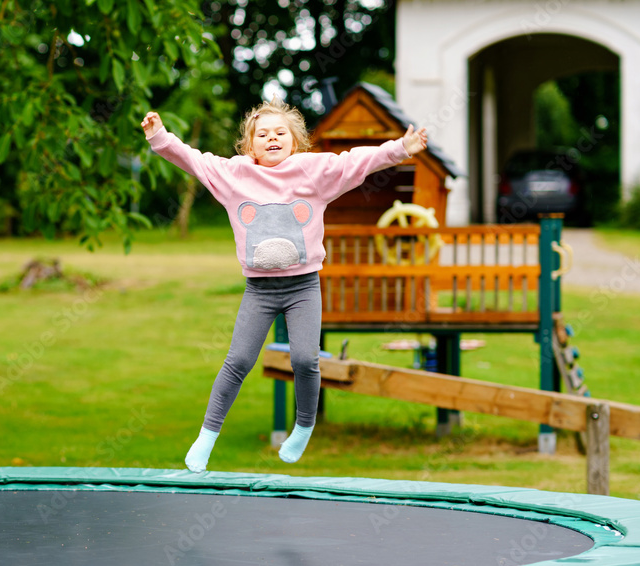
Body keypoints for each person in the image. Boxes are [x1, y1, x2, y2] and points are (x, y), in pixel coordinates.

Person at [141, 100, 428, 473]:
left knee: (305, 360)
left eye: (280, 133)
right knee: (238, 361)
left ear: (296, 141)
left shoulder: (313, 171)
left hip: (303, 287)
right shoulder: (234, 175)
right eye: (262, 135)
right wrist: (160, 138)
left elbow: (354, 162)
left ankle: (304, 426)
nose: (272, 139)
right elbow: (193, 159)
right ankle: (206, 438)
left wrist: (399, 149)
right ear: (250, 146)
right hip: (259, 290)